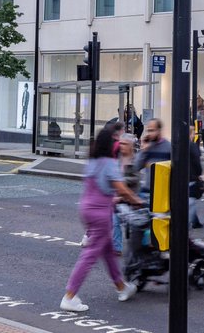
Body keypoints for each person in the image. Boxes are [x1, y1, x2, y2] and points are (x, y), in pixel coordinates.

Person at [60, 126, 144, 312]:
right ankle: (69, 296)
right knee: (89, 255)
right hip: (100, 213)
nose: (118, 144)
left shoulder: (93, 161)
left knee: (107, 251)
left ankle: (122, 287)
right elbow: (120, 188)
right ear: (109, 144)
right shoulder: (108, 163)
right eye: (116, 140)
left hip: (87, 209)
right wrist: (136, 200)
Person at [134, 119, 171, 196]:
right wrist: (144, 150)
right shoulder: (147, 147)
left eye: (152, 131)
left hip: (163, 191)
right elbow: (136, 167)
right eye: (148, 131)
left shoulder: (168, 147)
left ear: (159, 131)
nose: (149, 134)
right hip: (148, 190)